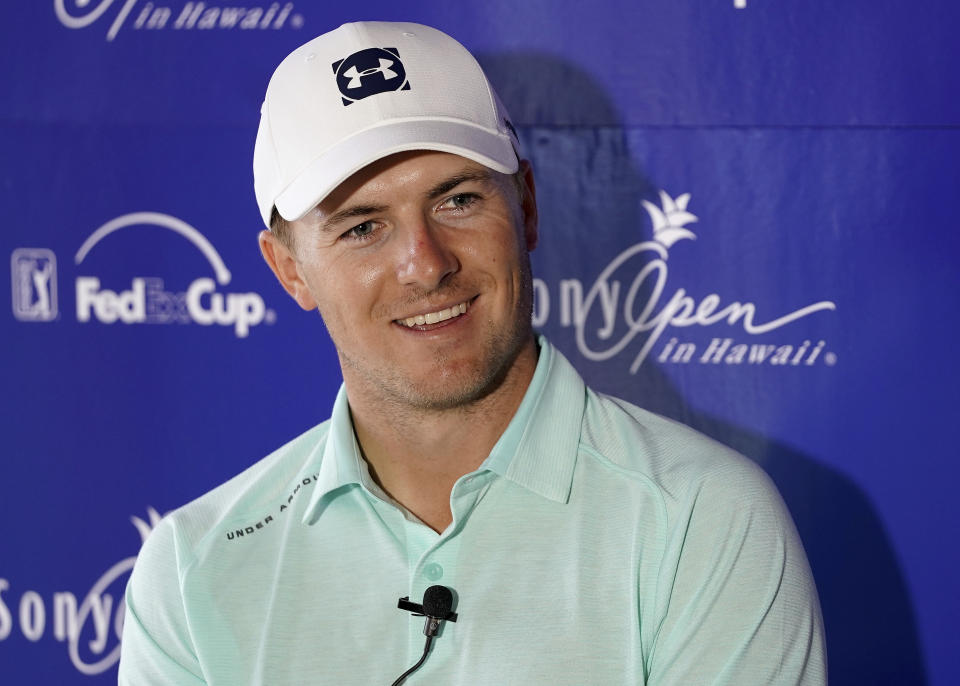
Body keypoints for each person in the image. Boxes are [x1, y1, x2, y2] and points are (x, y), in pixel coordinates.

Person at [118, 21, 826, 685]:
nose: (424, 265)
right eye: (363, 227)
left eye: (456, 200)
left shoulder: (702, 519)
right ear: (289, 270)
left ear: (526, 207)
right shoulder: (194, 567)